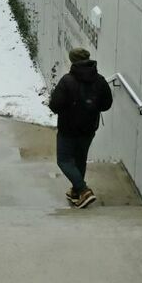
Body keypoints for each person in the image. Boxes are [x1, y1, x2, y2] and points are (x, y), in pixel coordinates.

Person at [49, 48, 114, 208]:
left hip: (68, 128)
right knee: (80, 159)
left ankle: (84, 190)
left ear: (72, 61)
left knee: (64, 160)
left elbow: (55, 105)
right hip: (89, 128)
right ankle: (76, 192)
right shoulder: (100, 80)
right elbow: (106, 104)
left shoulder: (67, 81)